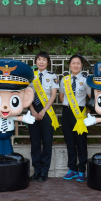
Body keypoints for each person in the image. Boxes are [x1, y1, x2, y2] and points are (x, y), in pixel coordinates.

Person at [59, 55, 91, 182]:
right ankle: (72, 169)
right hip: (67, 112)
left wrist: (88, 110)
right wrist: (69, 105)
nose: (76, 65)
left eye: (78, 63)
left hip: (80, 113)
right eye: (73, 63)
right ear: (69, 65)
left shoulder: (86, 80)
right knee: (70, 143)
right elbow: (61, 96)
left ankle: (82, 170)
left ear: (81, 65)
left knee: (81, 143)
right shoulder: (64, 80)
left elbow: (90, 96)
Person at [28, 51, 59, 182]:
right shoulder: (30, 76)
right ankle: (36, 170)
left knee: (46, 141)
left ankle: (44, 172)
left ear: (48, 62)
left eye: (44, 60)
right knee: (35, 142)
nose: (41, 62)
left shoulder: (52, 76)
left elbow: (53, 95)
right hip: (32, 110)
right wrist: (33, 110)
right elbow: (27, 95)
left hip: (46, 111)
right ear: (36, 62)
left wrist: (43, 111)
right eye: (39, 59)